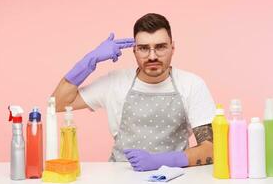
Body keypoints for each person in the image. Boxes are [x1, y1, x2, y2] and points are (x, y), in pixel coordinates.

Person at [52, 13, 215, 171]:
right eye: (144, 48)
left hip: (174, 178)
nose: (152, 56)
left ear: (172, 48)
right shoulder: (115, 82)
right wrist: (88, 61)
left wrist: (161, 161)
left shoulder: (191, 85)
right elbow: (58, 104)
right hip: (120, 177)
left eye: (160, 47)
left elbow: (212, 149)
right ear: (134, 50)